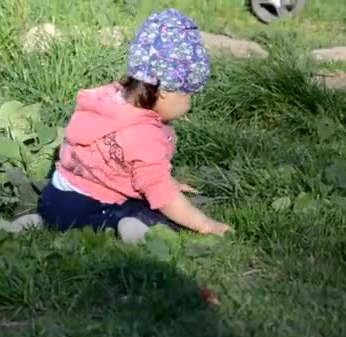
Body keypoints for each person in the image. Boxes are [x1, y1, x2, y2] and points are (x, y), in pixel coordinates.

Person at [36, 8, 233, 243]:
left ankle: (34, 222)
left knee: (54, 215)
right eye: (188, 94)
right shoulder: (143, 133)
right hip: (88, 207)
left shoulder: (108, 99)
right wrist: (203, 223)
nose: (189, 104)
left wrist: (169, 181)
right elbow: (162, 195)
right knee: (146, 214)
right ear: (165, 91)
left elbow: (128, 165)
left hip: (54, 196)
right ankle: (128, 228)